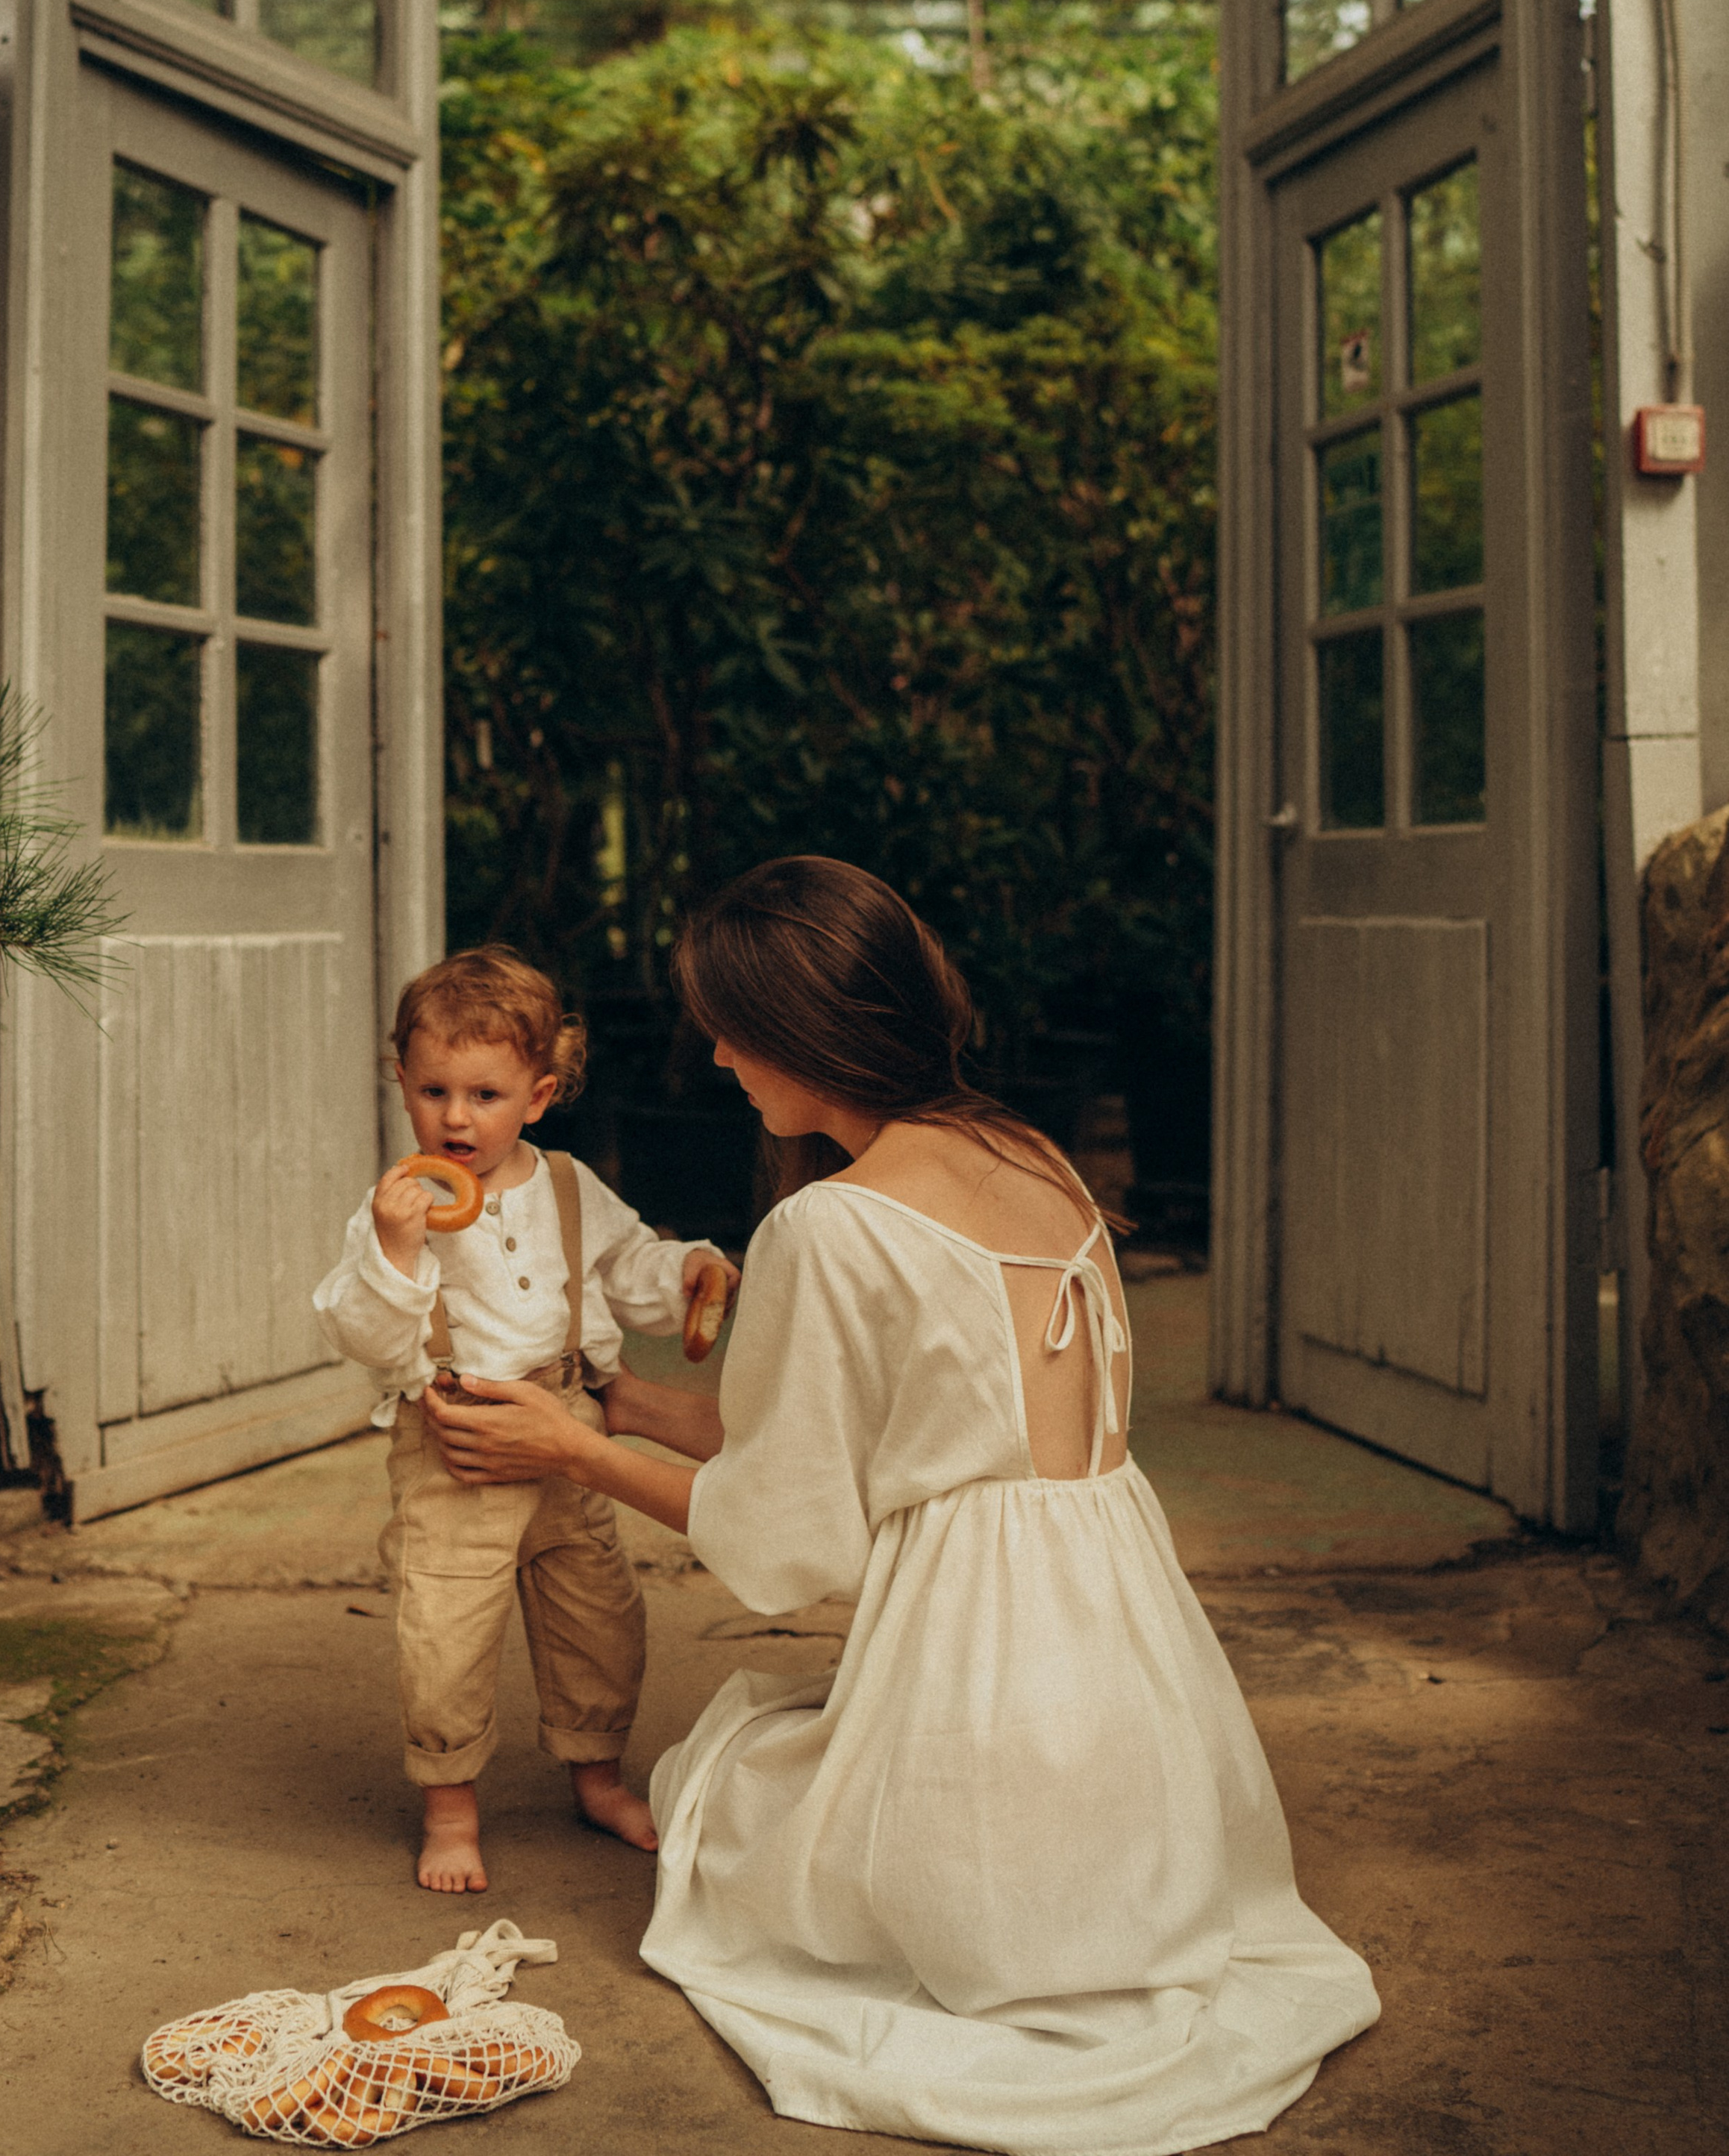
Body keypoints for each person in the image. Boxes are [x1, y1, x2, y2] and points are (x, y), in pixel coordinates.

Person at [423, 861, 1379, 2155]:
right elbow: (875, 1435)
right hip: (1132, 1659)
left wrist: (566, 1449)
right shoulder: (1031, 1156)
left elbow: (783, 1540)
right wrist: (628, 1405)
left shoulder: (834, 1223)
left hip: (987, 1659)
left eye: (729, 1026)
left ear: (800, 1035)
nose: (711, 1055)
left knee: (726, 1791)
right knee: (762, 1764)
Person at [313, 945, 737, 1894]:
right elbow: (367, 1335)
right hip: (456, 1445)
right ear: (402, 1085)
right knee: (446, 1631)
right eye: (432, 1091)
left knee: (599, 1618)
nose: (455, 1117)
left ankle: (597, 1775)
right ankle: (452, 1807)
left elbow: (631, 1269)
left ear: (538, 1096)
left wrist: (689, 1273)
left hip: (570, 1435)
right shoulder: (397, 1209)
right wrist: (393, 1251)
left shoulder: (569, 1186)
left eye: (485, 1094)